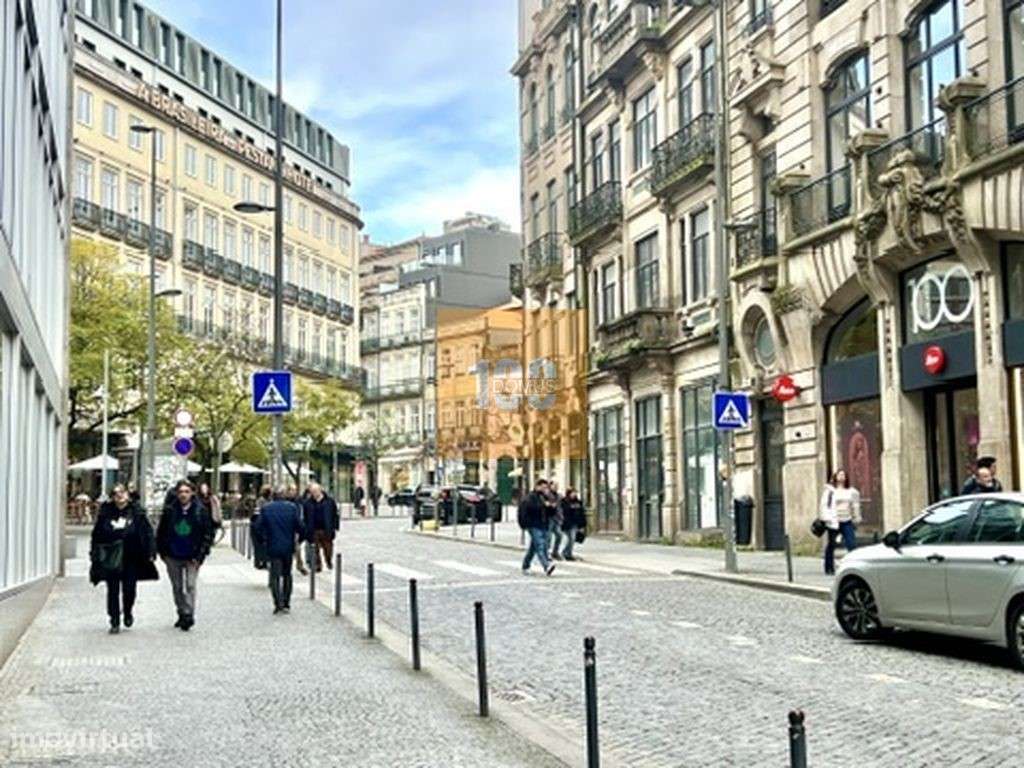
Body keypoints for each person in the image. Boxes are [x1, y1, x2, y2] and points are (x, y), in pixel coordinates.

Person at [90, 484, 158, 633]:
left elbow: (147, 533)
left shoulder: (137, 512)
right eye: (115, 493)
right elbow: (97, 535)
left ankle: (127, 611)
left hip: (131, 556)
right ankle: (114, 619)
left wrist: (151, 551)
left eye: (122, 492)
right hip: (111, 557)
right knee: (112, 590)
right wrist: (95, 554)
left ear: (128, 495)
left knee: (129, 589)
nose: (119, 496)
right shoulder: (106, 513)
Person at [156, 480, 214, 631]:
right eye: (181, 492)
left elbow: (208, 534)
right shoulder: (170, 510)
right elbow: (161, 531)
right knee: (177, 587)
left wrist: (201, 555)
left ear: (192, 493)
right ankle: (181, 611)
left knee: (190, 585)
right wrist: (162, 551)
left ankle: (188, 614)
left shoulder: (200, 510)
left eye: (186, 492)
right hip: (172, 555)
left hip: (192, 556)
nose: (183, 495)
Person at [253, 487, 308, 614]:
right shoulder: (292, 508)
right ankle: (286, 602)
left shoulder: (266, 509)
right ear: (284, 496)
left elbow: (257, 527)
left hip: (272, 546)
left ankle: (278, 603)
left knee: (275, 576)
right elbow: (301, 527)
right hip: (288, 547)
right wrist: (299, 540)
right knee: (287, 575)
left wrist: (263, 540)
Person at [819, 469, 861, 576]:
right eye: (839, 475)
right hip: (834, 521)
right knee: (831, 545)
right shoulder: (830, 491)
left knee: (851, 544)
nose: (842, 477)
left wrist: (857, 518)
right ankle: (829, 567)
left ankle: (854, 566)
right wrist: (826, 518)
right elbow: (824, 505)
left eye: (843, 475)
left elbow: (855, 506)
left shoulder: (851, 491)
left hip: (846, 520)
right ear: (835, 477)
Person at [518, 479, 555, 576]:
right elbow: (525, 511)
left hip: (544, 524)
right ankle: (546, 566)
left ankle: (525, 565)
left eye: (546, 488)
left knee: (533, 548)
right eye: (543, 487)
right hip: (533, 525)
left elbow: (551, 513)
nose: (545, 489)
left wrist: (551, 506)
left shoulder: (545, 497)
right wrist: (524, 525)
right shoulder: (530, 498)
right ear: (537, 487)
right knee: (540, 545)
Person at [303, 482, 339, 572]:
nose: (314, 493)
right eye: (312, 492)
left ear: (320, 490)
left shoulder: (329, 501)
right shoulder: (307, 503)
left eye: (315, 491)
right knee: (315, 549)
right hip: (314, 529)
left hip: (326, 529)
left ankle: (328, 561)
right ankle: (318, 565)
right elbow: (305, 516)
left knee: (328, 548)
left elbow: (335, 515)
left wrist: (335, 526)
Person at [559, 488, 586, 561]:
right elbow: (564, 512)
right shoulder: (564, 502)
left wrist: (582, 525)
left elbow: (581, 513)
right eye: (573, 493)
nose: (574, 494)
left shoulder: (578, 502)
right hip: (567, 523)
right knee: (571, 538)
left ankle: (567, 553)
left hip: (575, 523)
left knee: (572, 539)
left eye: (575, 493)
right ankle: (566, 553)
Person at [545, 481, 564, 560]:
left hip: (557, 518)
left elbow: (561, 506)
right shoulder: (546, 495)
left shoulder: (559, 496)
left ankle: (555, 552)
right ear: (550, 486)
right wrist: (549, 505)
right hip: (549, 518)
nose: (556, 487)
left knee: (559, 535)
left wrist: (561, 516)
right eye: (554, 485)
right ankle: (546, 553)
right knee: (548, 537)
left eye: (557, 485)